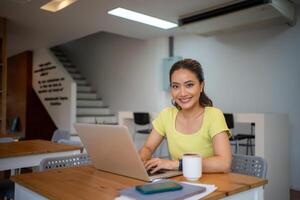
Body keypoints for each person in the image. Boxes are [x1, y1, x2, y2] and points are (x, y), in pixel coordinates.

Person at [139, 59, 232, 174]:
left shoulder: (214, 115)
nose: (182, 93)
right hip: (179, 184)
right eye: (176, 86)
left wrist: (177, 164)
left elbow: (224, 163)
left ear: (201, 86)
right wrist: (142, 161)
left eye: (189, 85)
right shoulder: (166, 115)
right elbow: (147, 148)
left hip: (212, 186)